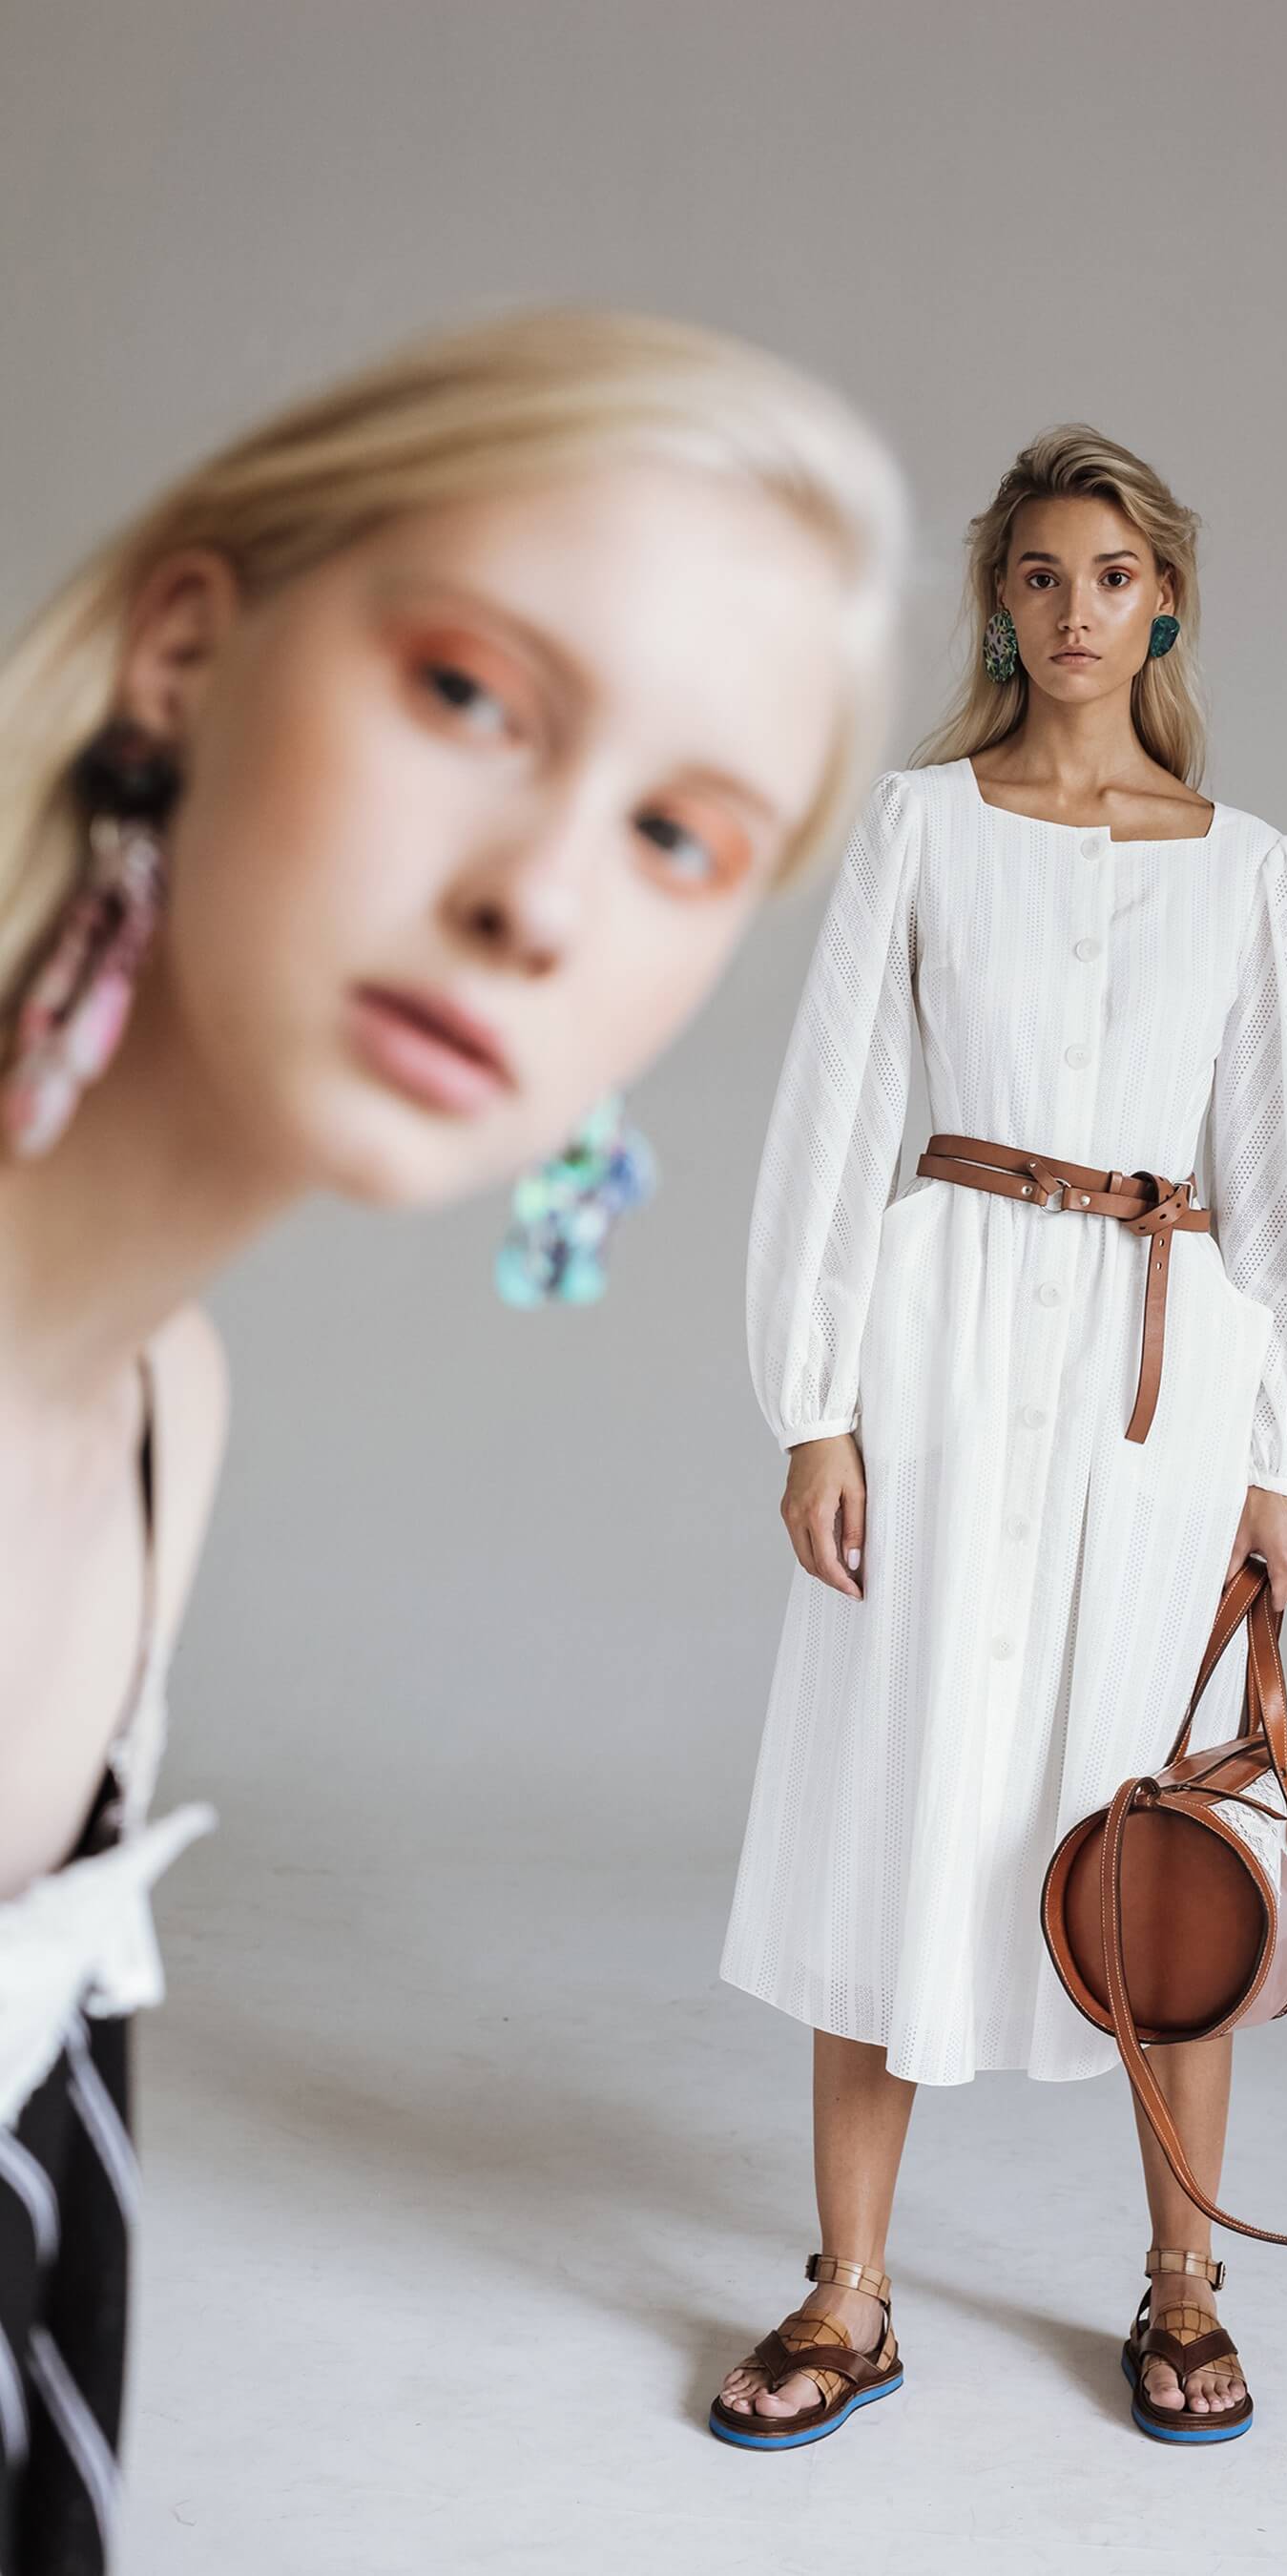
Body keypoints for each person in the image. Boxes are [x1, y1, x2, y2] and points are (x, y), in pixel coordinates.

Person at [0, 305, 905, 2567]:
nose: (540, 902)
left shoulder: (159, 1420)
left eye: (682, 838)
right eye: (471, 698)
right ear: (185, 653)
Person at [714, 425, 1287, 2450]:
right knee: (894, 1791)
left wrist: (1285, 1452)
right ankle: (850, 2294)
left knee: (1166, 1845)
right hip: (942, 1351)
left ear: (1166, 604)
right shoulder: (920, 827)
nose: (1076, 611)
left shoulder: (1251, 870)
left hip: (1161, 1387)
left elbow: (1286, 1177)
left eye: (1113, 575)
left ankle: (1185, 2283)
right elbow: (834, 1115)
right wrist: (816, 1408)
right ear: (999, 605)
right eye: (1040, 574)